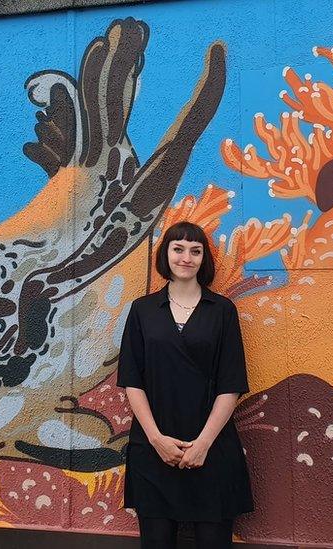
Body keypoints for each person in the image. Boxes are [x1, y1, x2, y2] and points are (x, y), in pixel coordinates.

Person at [117, 220, 254, 549]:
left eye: (195, 251)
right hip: (153, 448)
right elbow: (132, 380)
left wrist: (203, 444)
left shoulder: (222, 311)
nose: (186, 257)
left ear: (204, 259)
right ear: (166, 254)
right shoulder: (142, 310)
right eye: (178, 249)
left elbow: (230, 383)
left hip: (212, 449)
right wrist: (156, 440)